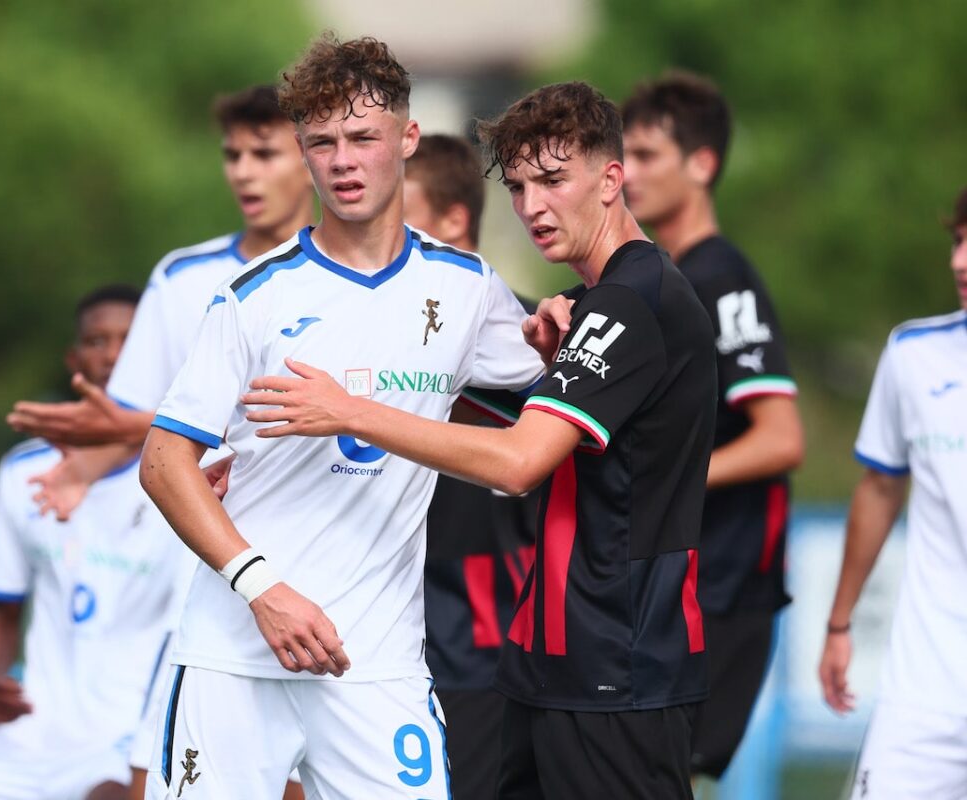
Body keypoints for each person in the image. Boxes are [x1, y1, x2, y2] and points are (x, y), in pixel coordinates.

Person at [242, 81, 717, 798]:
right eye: (519, 187)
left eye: (553, 180)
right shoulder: (591, 306)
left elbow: (519, 463)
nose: (532, 207)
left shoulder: (634, 300)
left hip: (619, 664)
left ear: (611, 179)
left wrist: (351, 413)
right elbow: (469, 405)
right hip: (549, 662)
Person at [138, 35, 545, 800]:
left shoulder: (467, 288)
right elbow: (162, 463)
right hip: (236, 654)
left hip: (377, 666)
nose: (344, 161)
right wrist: (262, 588)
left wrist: (567, 325)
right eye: (322, 143)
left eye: (363, 137)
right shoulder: (254, 295)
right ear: (302, 154)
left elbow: (555, 395)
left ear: (408, 138)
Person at [4, 86, 314, 799]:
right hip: (207, 570)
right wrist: (81, 468)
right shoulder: (184, 277)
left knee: (300, 775)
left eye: (263, 153)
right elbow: (138, 417)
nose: (243, 171)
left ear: (310, 159)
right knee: (159, 775)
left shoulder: (349, 279)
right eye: (232, 155)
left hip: (321, 560)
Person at [0, 286, 197, 800]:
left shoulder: (185, 474)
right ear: (73, 359)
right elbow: (3, 607)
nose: (113, 355)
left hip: (126, 741)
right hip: (30, 740)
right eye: (97, 341)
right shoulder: (25, 472)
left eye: (130, 342)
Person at [620, 71, 805, 779]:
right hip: (672, 580)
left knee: (664, 774)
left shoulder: (721, 277)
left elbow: (780, 437)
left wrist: (670, 482)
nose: (628, 173)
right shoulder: (657, 279)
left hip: (723, 584)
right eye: (622, 155)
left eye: (646, 155)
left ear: (702, 163)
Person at [818, 186, 967, 799]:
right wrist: (839, 623)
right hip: (924, 693)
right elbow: (880, 488)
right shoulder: (913, 354)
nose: (959, 261)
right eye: (958, 241)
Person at [405, 133, 540, 800]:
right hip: (393, 638)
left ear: (454, 220)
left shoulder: (533, 339)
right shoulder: (372, 331)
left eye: (398, 218)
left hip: (490, 642)